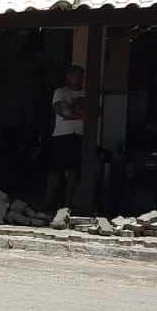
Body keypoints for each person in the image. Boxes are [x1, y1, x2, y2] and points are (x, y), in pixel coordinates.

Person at [43, 64, 86, 211]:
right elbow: (61, 111)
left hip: (80, 135)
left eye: (80, 74)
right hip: (61, 135)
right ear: (68, 77)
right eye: (74, 74)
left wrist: (71, 110)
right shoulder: (60, 91)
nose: (77, 77)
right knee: (55, 170)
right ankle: (48, 201)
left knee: (74, 170)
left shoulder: (88, 92)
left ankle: (68, 203)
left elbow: (93, 113)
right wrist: (80, 113)